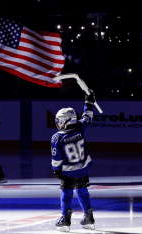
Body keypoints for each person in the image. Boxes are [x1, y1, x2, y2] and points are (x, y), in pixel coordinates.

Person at [51, 89, 96, 232]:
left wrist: (57, 171)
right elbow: (88, 116)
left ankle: (65, 219)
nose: (57, 123)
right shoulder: (80, 128)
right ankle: (89, 218)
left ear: (64, 121)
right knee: (83, 191)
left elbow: (56, 157)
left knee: (66, 193)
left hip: (68, 172)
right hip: (82, 169)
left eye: (59, 120)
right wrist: (89, 103)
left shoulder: (57, 137)